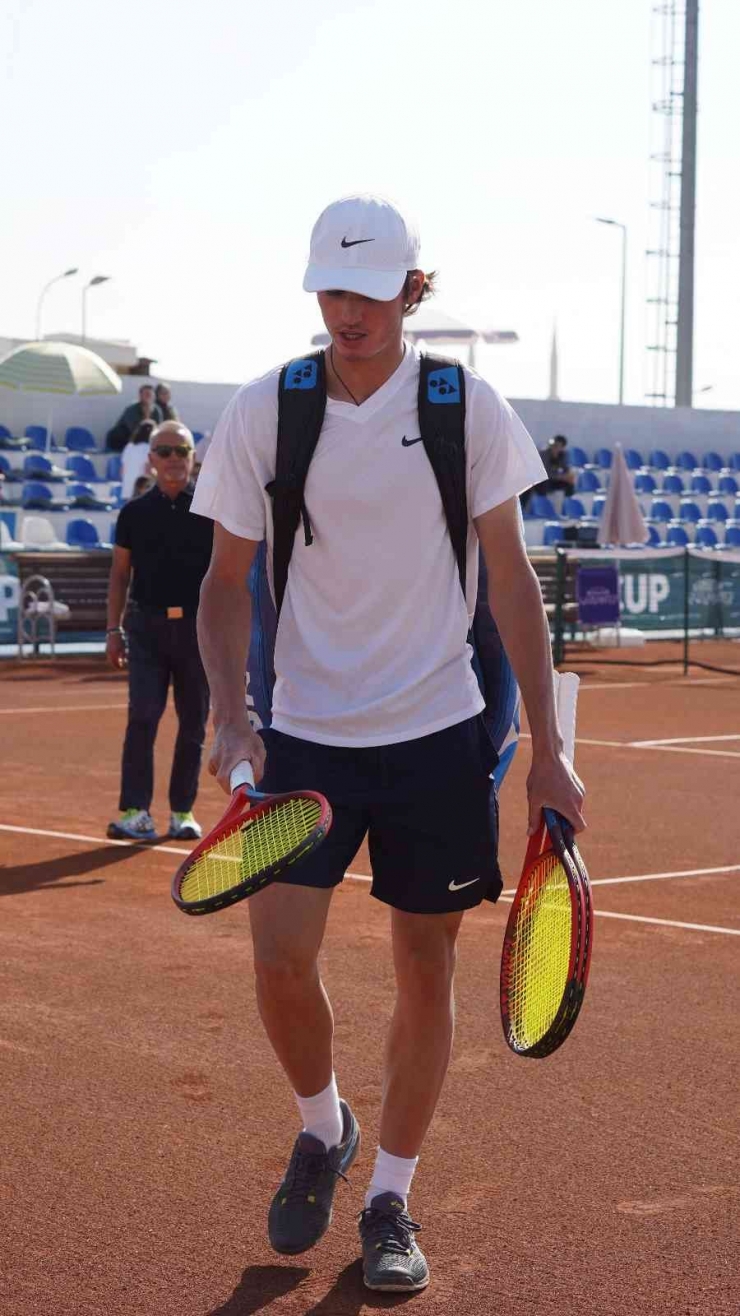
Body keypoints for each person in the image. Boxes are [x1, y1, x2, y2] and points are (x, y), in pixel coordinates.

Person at [192, 194, 585, 1293]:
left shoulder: (467, 407)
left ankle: (389, 1199)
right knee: (278, 963)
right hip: (305, 737)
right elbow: (226, 583)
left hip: (435, 734)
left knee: (426, 965)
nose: (344, 310)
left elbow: (509, 581)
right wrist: (232, 713)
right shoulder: (271, 405)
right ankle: (324, 1125)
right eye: (328, 288)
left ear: (411, 288)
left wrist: (545, 747)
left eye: (366, 291)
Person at [106, 421, 213, 842]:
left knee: (193, 724)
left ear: (192, 458)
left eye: (181, 451)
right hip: (146, 629)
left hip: (196, 630)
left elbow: (228, 575)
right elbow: (118, 574)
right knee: (143, 718)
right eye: (164, 451)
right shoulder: (133, 512)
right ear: (150, 459)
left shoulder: (210, 508)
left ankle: (182, 812)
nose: (173, 459)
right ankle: (136, 812)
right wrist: (113, 629)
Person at [522, 434, 576, 511]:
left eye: (558, 446)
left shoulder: (563, 455)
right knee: (537, 484)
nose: (555, 447)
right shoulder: (544, 454)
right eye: (554, 445)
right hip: (540, 480)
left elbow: (566, 469)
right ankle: (541, 508)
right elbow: (544, 472)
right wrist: (560, 476)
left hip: (553, 480)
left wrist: (567, 476)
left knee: (569, 483)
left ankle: (569, 506)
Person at [106, 384, 163, 452]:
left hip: (139, 442)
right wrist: (147, 415)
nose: (149, 397)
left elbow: (159, 430)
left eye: (151, 395)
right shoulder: (131, 409)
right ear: (140, 396)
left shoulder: (157, 410)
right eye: (147, 394)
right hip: (120, 439)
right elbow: (136, 431)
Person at [120, 419, 155, 501]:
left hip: (126, 490)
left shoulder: (129, 447)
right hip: (141, 490)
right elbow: (148, 471)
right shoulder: (149, 448)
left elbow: (122, 470)